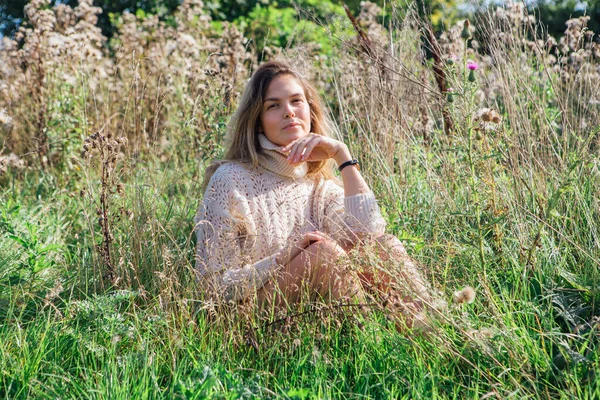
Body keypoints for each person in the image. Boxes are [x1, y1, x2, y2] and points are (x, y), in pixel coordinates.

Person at [194, 61, 435, 326]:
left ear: (310, 110)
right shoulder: (230, 180)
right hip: (247, 318)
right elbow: (214, 286)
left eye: (296, 101)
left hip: (309, 314)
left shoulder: (317, 185)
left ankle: (438, 330)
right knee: (323, 254)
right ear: (258, 122)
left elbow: (369, 233)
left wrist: (342, 156)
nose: (289, 112)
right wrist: (284, 258)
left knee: (385, 246)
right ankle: (372, 344)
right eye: (273, 105)